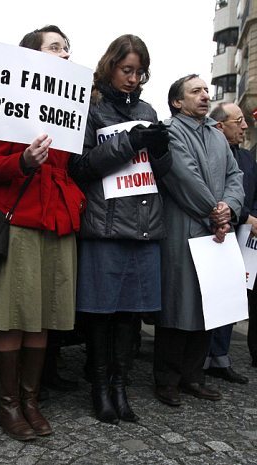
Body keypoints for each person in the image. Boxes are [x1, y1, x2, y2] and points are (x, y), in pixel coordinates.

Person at [0, 25, 85, 441]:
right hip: (20, 220)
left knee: (42, 316)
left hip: (57, 221)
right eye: (55, 47)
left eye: (67, 48)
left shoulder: (70, 111)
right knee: (11, 316)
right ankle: (8, 406)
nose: (65, 54)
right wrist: (23, 160)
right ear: (32, 58)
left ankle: (30, 400)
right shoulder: (6, 106)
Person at [69, 34, 171, 424]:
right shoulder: (90, 106)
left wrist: (161, 151)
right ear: (109, 65)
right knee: (101, 312)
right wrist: (127, 143)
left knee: (130, 313)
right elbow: (80, 168)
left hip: (144, 225)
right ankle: (99, 387)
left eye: (139, 71)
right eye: (126, 70)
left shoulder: (147, 107)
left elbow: (161, 173)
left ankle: (120, 386)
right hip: (105, 224)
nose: (133, 78)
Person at [153, 74, 245, 407]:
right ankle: (167, 380)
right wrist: (215, 213)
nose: (205, 95)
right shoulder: (170, 132)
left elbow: (236, 176)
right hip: (182, 231)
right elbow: (184, 178)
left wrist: (229, 207)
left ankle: (194, 376)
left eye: (206, 90)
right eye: (196, 91)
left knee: (209, 305)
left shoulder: (217, 136)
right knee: (178, 306)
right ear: (177, 102)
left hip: (215, 234)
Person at [203, 102, 252, 384]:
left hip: (239, 235)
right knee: (208, 298)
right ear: (220, 126)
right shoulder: (208, 152)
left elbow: (248, 191)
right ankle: (201, 359)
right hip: (210, 231)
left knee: (230, 298)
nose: (245, 127)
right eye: (239, 121)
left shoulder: (245, 159)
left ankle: (220, 358)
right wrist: (239, 214)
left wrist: (250, 215)